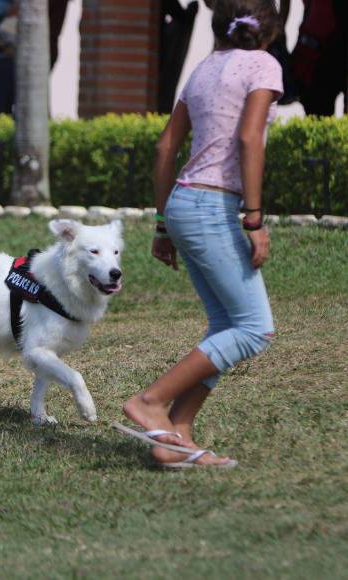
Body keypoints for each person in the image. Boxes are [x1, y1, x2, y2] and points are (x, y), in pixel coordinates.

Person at [114, 0, 282, 469]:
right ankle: (151, 402)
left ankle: (176, 435)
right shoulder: (264, 65)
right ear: (269, 33)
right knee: (254, 329)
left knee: (226, 325)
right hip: (214, 204)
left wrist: (164, 222)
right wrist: (254, 218)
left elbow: (167, 146)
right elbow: (250, 138)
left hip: (185, 203)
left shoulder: (203, 69)